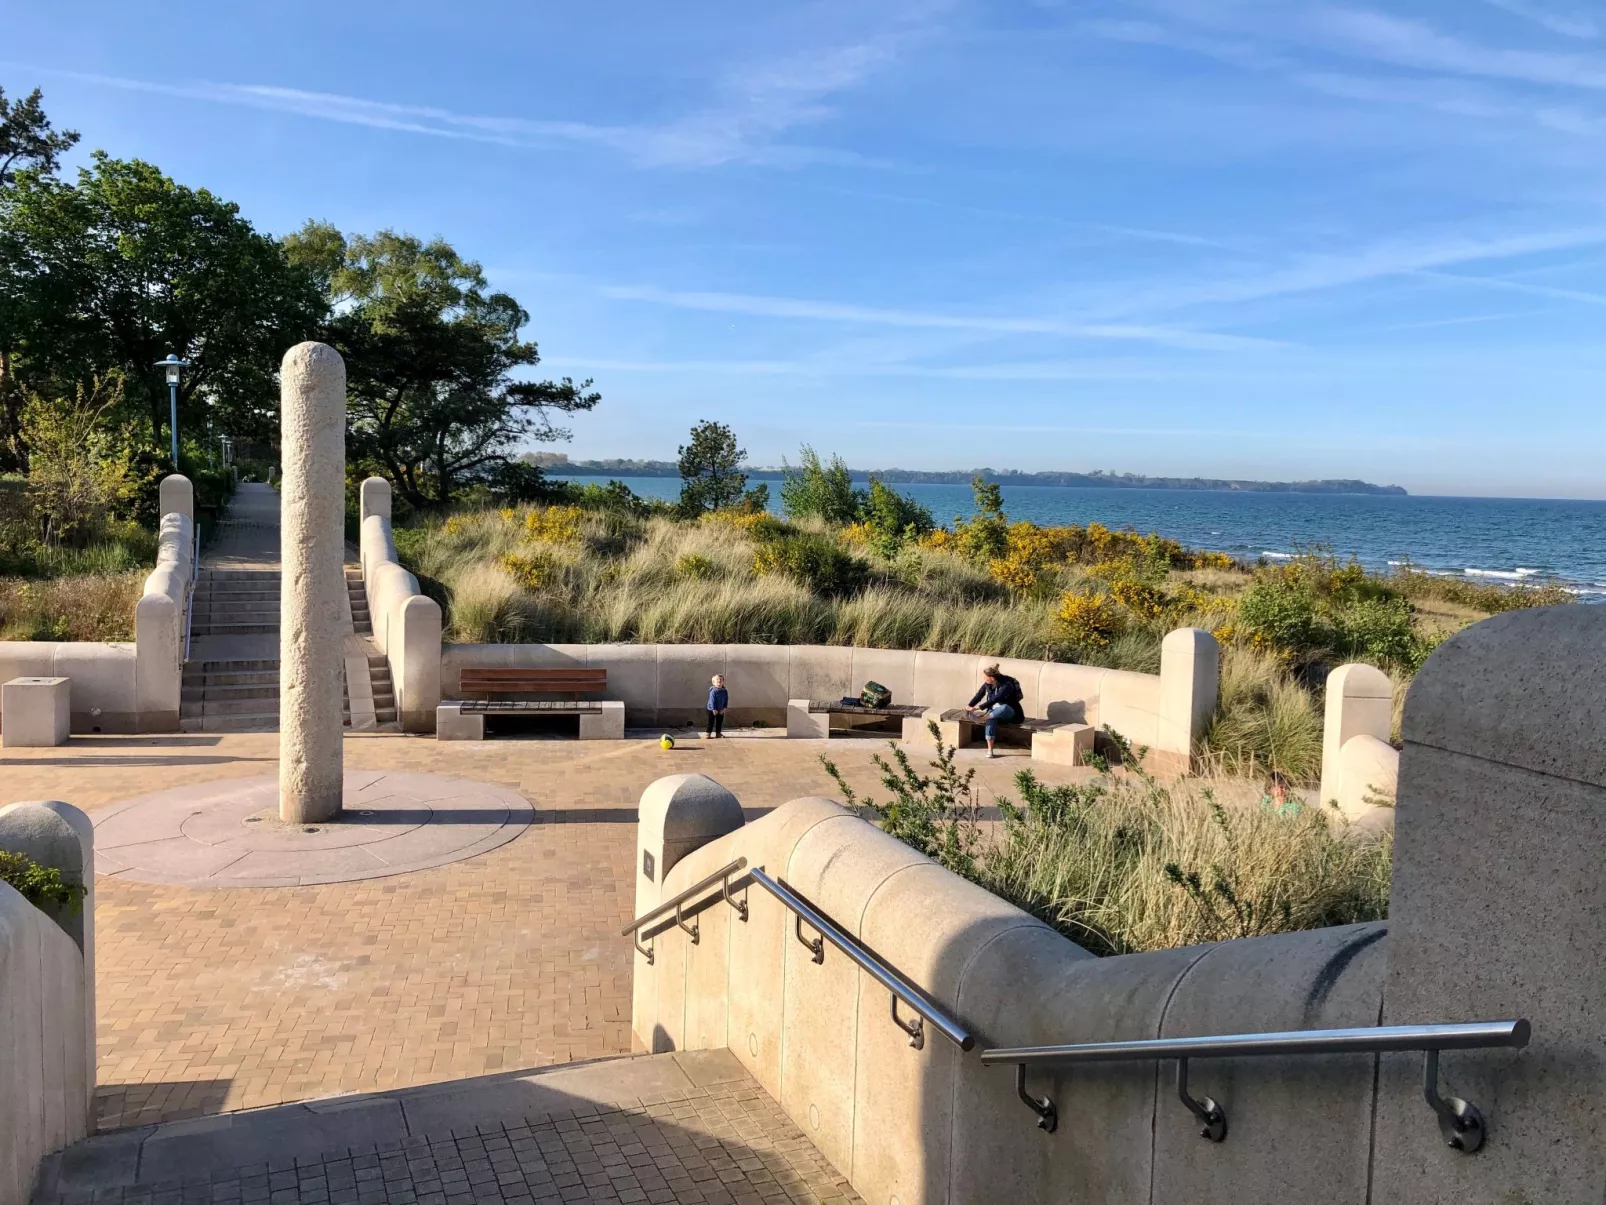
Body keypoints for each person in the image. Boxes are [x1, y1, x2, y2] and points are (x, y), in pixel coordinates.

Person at [966, 664, 1023, 758]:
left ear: (992, 677)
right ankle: (990, 750)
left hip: (1011, 714)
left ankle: (983, 718)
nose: (984, 678)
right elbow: (979, 695)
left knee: (1003, 708)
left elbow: (997, 698)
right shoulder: (987, 684)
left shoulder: (1007, 685)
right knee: (991, 718)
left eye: (985, 676)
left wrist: (978, 708)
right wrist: (969, 706)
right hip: (993, 713)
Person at [706, 674, 729, 739]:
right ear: (713, 682)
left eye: (721, 679)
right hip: (712, 709)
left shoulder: (724, 691)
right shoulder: (713, 691)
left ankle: (718, 733)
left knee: (719, 722)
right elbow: (712, 700)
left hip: (721, 709)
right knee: (711, 722)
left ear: (723, 682)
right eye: (717, 679)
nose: (719, 680)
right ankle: (708, 733)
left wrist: (724, 708)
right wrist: (714, 709)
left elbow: (726, 699)